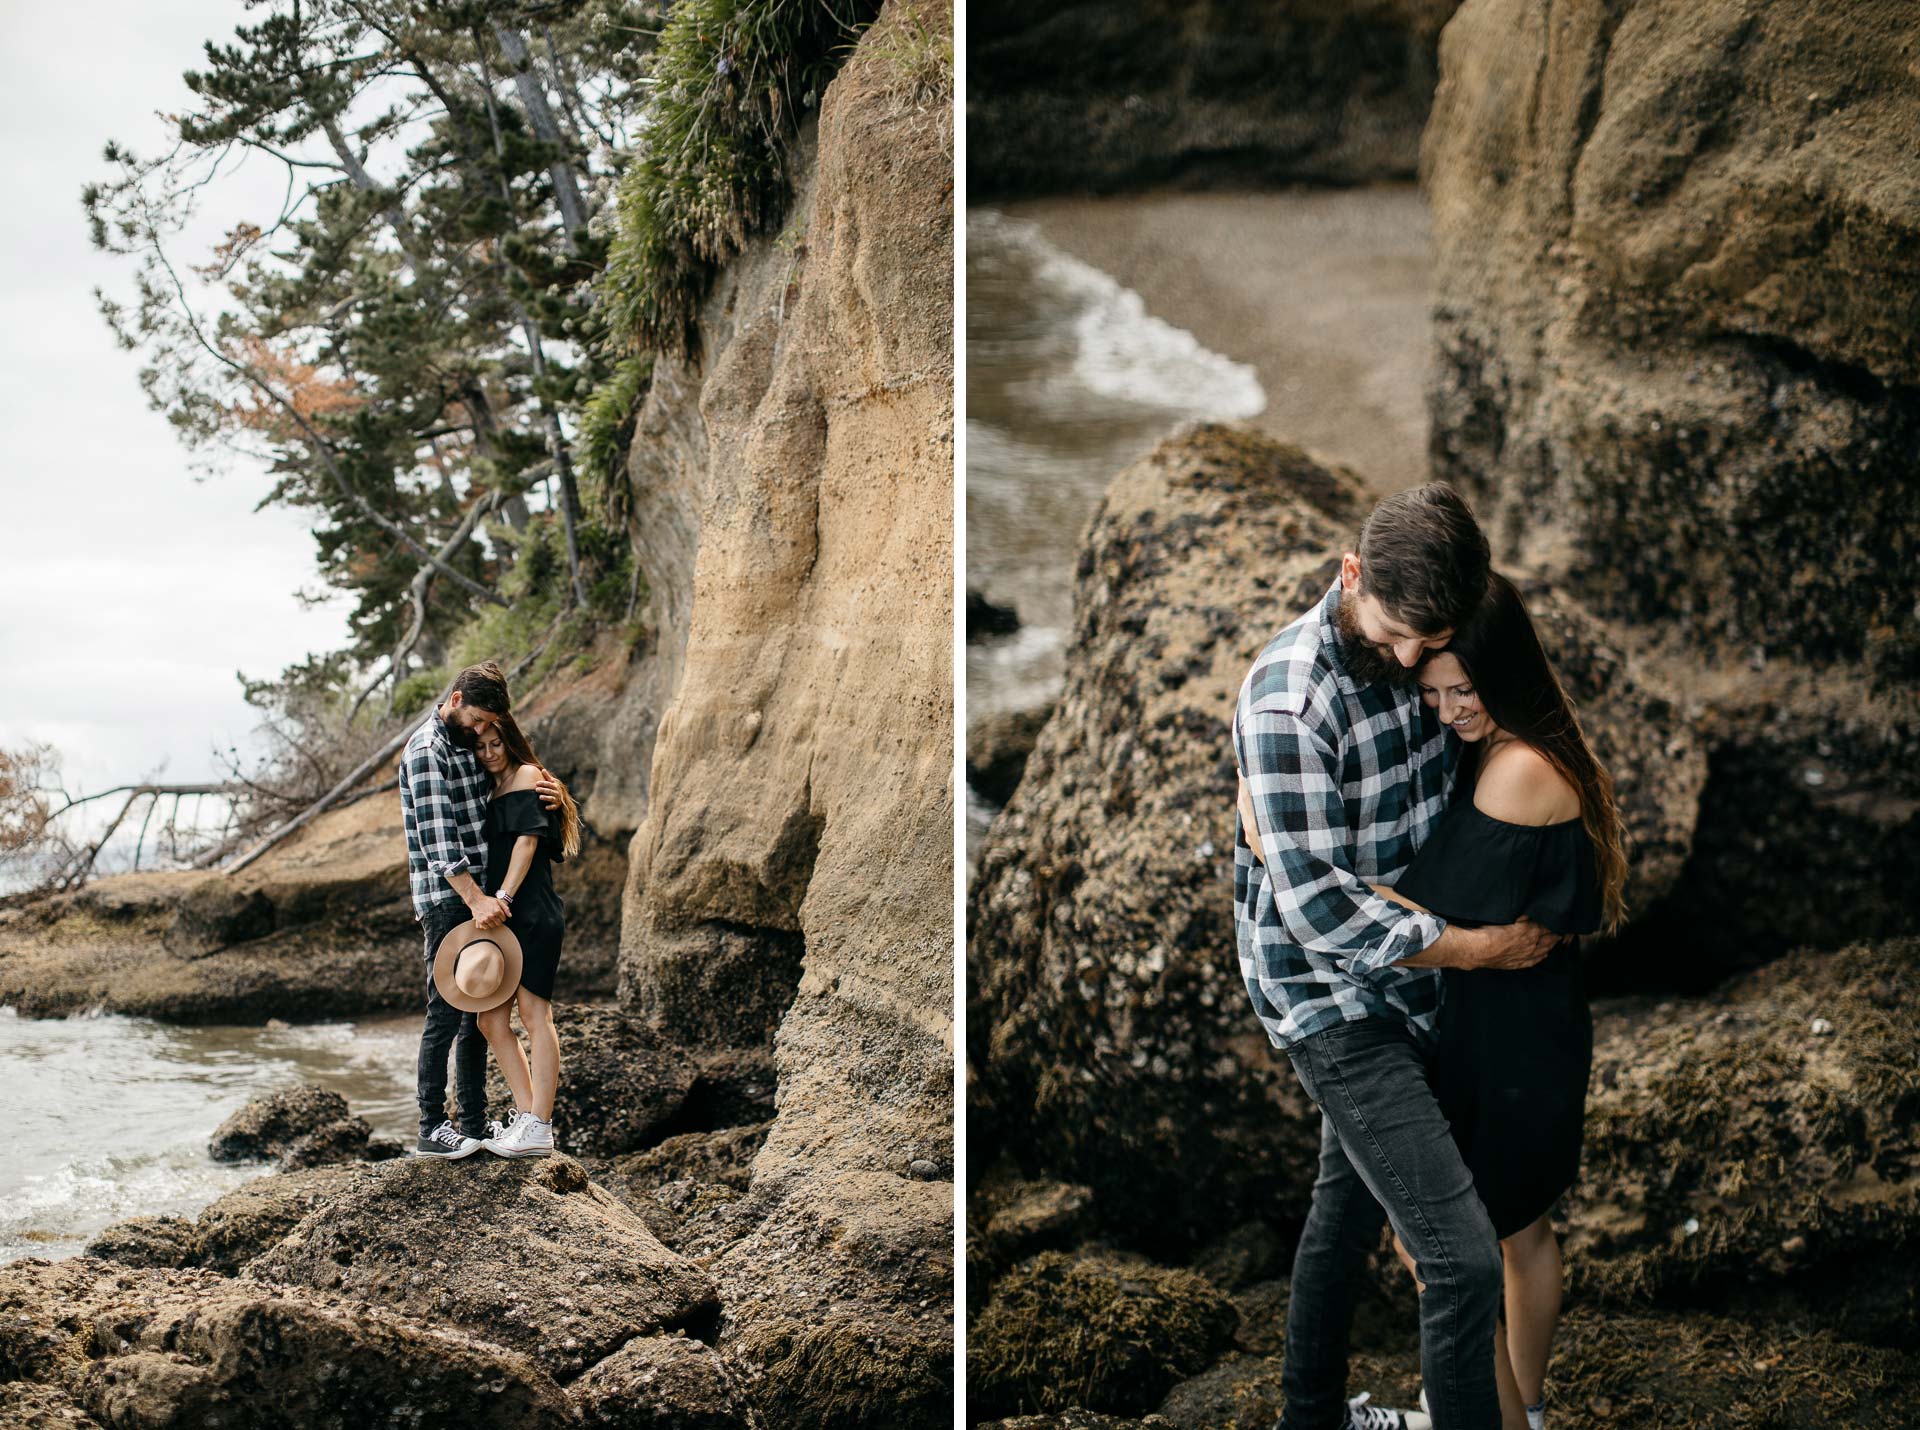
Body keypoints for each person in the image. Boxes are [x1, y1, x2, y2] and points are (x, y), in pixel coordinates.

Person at [1232, 483, 1561, 1430]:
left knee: (1345, 1210)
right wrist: (1480, 951)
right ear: (1351, 574)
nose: (1412, 659)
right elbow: (1320, 913)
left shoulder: (1433, 649)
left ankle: (1311, 1419)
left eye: (1431, 640)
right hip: (1330, 994)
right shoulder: (1290, 703)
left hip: (1421, 982)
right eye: (1395, 634)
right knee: (1460, 1261)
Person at [1375, 573, 1626, 1430]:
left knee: (1439, 1250)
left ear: (1504, 672)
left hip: (1509, 1044)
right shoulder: (1526, 741)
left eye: (1463, 690)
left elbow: (1417, 917)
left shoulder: (1518, 769)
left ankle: (1495, 1419)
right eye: (1433, 693)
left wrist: (1292, 856)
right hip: (1532, 1026)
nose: (1447, 712)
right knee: (1520, 1231)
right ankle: (1527, 1408)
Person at [399, 661, 560, 1160]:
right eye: (477, 720)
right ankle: (431, 1125)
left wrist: (552, 795)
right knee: (445, 1012)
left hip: (488, 899)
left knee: (476, 1016)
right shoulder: (427, 750)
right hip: (453, 897)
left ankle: (472, 1123)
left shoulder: (465, 743)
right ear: (456, 700)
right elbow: (439, 842)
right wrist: (478, 899)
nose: (482, 733)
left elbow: (514, 804)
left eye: (491, 727)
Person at [470, 710, 581, 1158]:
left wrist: (503, 897)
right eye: (480, 747)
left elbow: (528, 843)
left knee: (535, 1015)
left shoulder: (528, 775)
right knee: (490, 1020)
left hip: (529, 910)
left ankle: (540, 1123)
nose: (489, 753)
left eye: (496, 743)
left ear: (511, 740)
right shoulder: (488, 788)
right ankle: (527, 1117)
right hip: (504, 918)